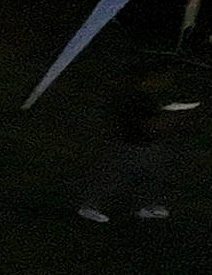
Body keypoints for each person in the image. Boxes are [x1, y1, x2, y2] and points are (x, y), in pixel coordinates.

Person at [80, 60, 187, 223]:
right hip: (131, 144)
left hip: (143, 143)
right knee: (114, 176)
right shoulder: (137, 98)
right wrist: (167, 120)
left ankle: (145, 206)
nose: (166, 82)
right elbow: (145, 124)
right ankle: (90, 207)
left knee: (150, 176)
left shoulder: (146, 96)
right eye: (164, 78)